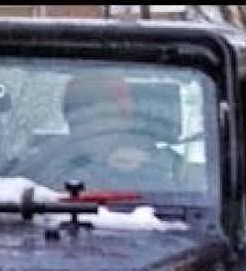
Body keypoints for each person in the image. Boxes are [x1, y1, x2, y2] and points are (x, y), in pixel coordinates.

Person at [18, 72, 178, 191]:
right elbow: (16, 196)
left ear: (125, 119)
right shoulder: (48, 156)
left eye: (104, 113)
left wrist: (135, 171)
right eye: (78, 108)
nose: (91, 122)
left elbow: (166, 211)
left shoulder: (152, 164)